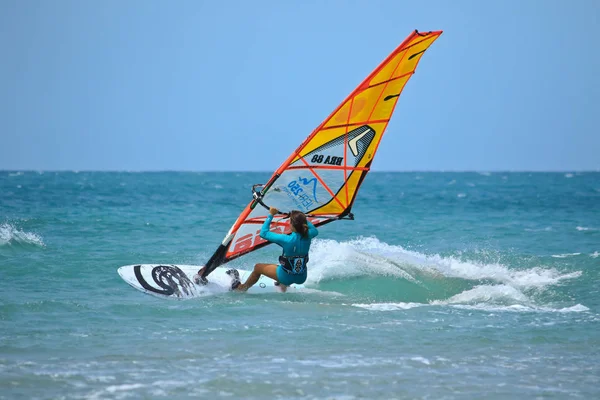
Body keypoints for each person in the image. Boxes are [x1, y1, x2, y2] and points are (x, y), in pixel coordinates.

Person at [229, 207, 318, 292]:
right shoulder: (309, 235)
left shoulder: (286, 239)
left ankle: (242, 288)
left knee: (258, 267)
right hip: (302, 277)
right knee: (287, 262)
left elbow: (263, 233)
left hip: (286, 277)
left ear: (292, 225)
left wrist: (271, 214)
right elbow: (314, 230)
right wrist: (302, 218)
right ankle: (282, 285)